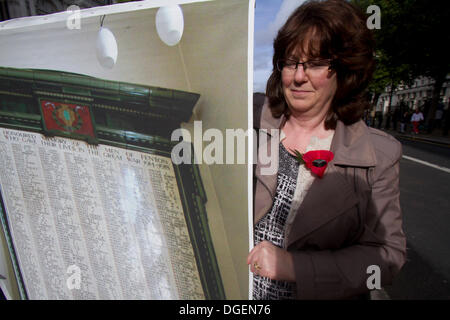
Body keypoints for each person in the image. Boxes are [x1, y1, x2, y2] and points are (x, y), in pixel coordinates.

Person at [250, 0, 406, 300]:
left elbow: (387, 257)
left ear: (345, 70)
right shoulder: (250, 120)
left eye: (317, 63)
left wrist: (296, 266)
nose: (298, 76)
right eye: (291, 61)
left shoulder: (379, 155)